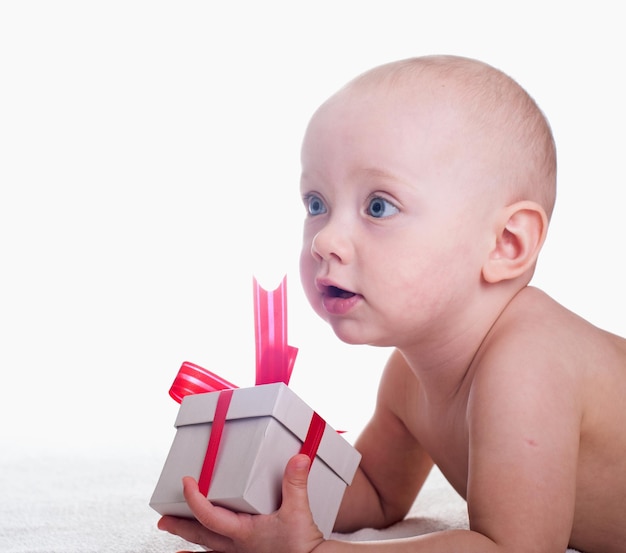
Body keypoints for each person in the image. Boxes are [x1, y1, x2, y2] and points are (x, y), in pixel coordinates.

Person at [157, 55, 626, 553]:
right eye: (316, 204)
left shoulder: (528, 363)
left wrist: (315, 552)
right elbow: (378, 494)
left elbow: (512, 548)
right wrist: (264, 478)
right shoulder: (409, 374)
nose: (325, 240)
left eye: (379, 206)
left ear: (505, 243)